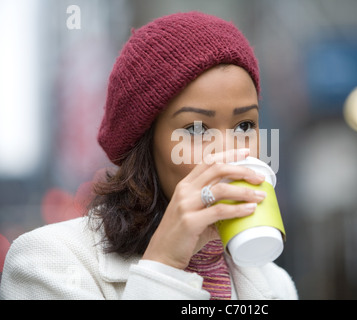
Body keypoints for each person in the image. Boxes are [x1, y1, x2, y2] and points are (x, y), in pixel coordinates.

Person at [0, 11, 298, 300]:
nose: (229, 151)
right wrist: (163, 265)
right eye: (196, 129)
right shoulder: (47, 261)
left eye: (244, 125)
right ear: (144, 144)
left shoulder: (275, 283)